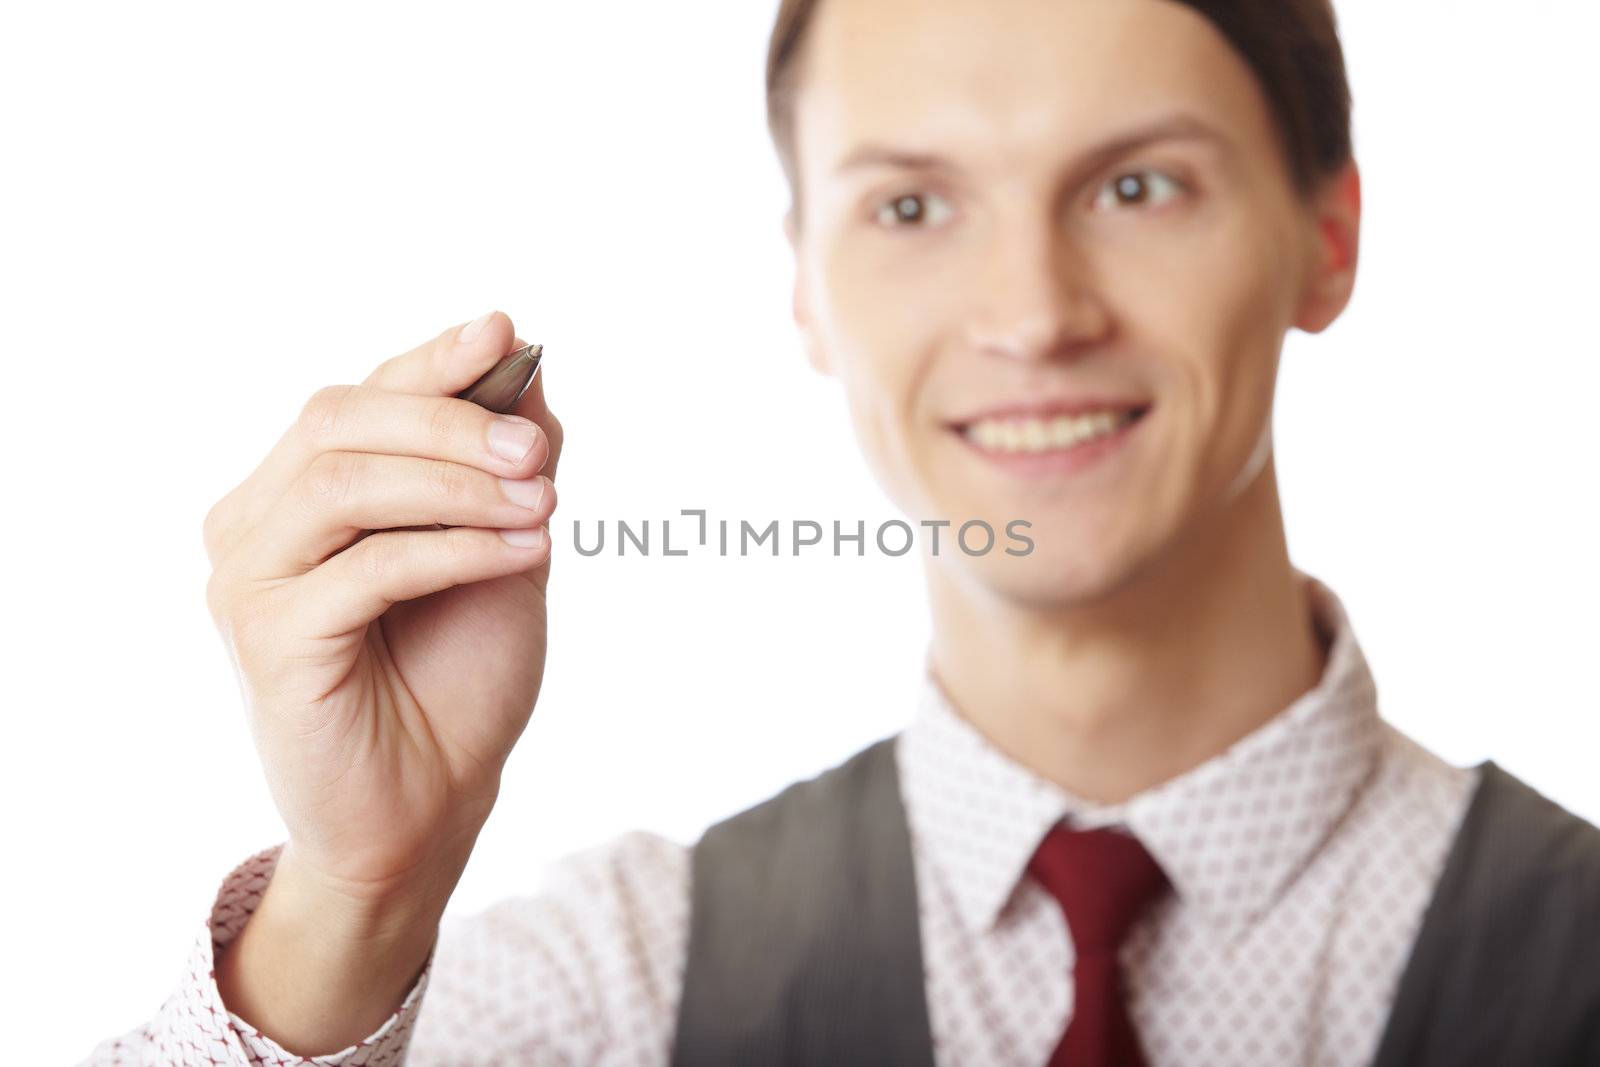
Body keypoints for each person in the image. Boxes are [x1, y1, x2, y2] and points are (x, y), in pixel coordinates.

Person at [83, 1, 1600, 1065]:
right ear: (804, 285)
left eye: (1139, 186)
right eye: (913, 209)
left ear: (1326, 236)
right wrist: (358, 895)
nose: (1033, 317)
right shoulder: (617, 986)